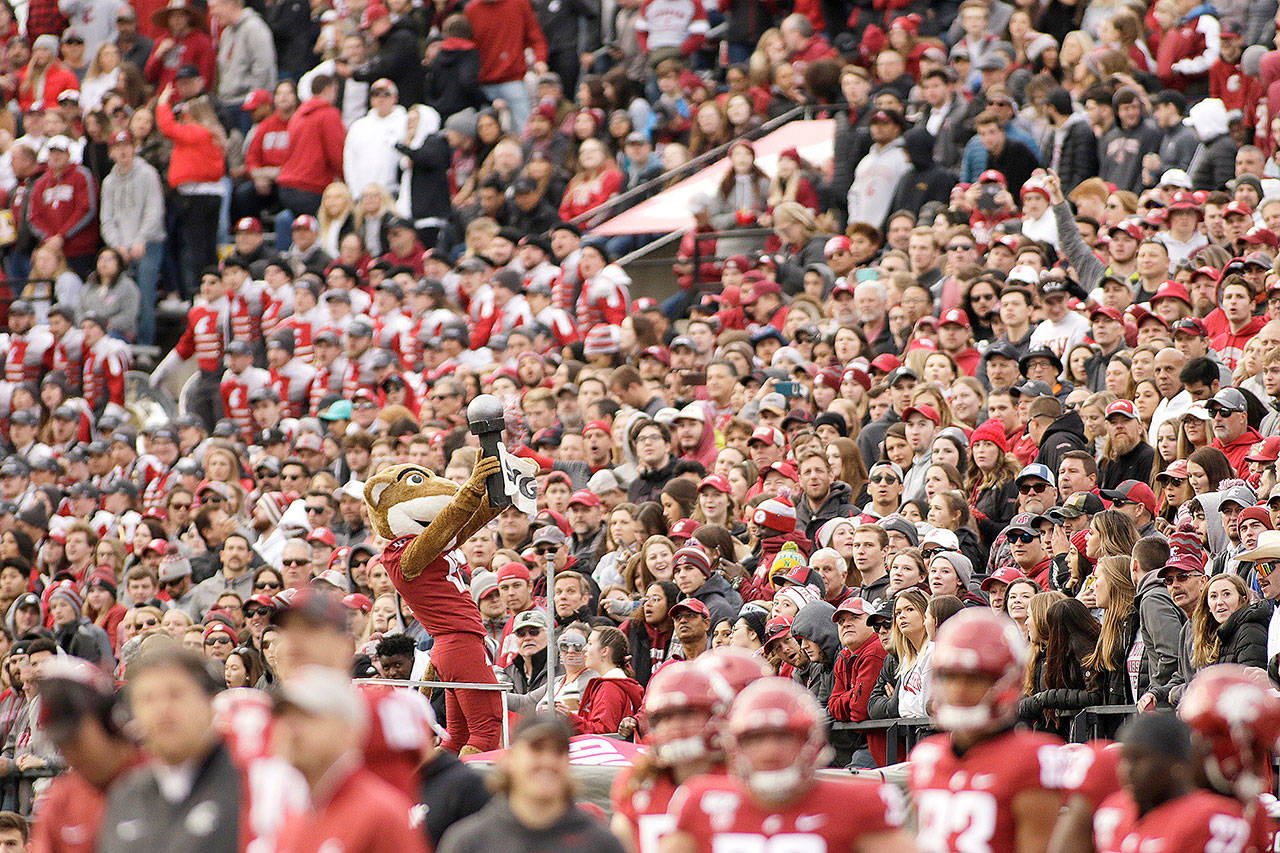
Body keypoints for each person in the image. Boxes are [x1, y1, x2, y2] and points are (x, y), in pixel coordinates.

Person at [664, 678, 916, 853]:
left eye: (784, 737)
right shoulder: (699, 799)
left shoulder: (859, 803)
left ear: (812, 741)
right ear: (734, 745)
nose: (769, 750)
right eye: (756, 738)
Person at [908, 609, 1063, 853]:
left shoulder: (1033, 758)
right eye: (950, 677)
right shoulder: (925, 756)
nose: (958, 690)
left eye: (974, 679)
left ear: (1006, 681)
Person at [437, 715, 626, 853]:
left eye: (558, 751)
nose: (548, 761)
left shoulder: (599, 843)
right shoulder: (469, 842)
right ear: (510, 760)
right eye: (537, 749)